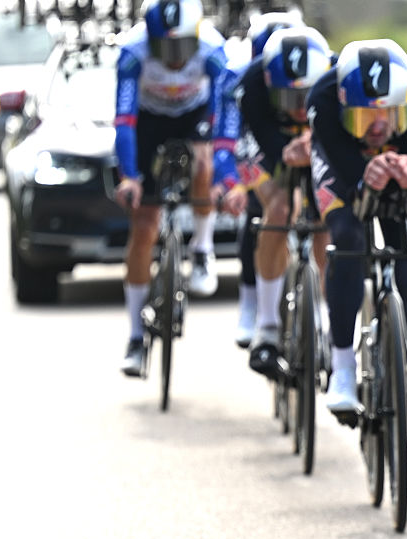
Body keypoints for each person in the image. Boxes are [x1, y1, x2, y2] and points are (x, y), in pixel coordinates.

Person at [308, 39, 407, 441]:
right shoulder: (325, 96)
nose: (377, 127)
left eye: (387, 114)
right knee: (347, 237)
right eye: (365, 116)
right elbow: (340, 167)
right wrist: (364, 173)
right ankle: (343, 366)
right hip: (343, 162)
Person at [115, 0, 228, 375]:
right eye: (166, 49)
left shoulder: (213, 49)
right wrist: (130, 175)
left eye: (183, 48)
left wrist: (222, 171)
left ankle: (202, 249)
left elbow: (223, 113)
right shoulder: (132, 53)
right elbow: (125, 120)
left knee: (204, 157)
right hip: (149, 120)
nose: (176, 60)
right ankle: (134, 337)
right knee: (144, 226)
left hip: (195, 114)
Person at [214, 26, 333, 375]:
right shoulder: (250, 83)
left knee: (326, 217)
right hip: (267, 144)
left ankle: (325, 317)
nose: (298, 108)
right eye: (289, 99)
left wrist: (313, 143)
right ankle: (266, 327)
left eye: (305, 98)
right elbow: (255, 142)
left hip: (317, 140)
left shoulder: (335, 75)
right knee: (280, 207)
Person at [231, 9, 307, 348]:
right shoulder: (248, 81)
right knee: (270, 209)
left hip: (304, 137)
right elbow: (248, 139)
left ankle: (319, 313)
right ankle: (261, 315)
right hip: (259, 142)